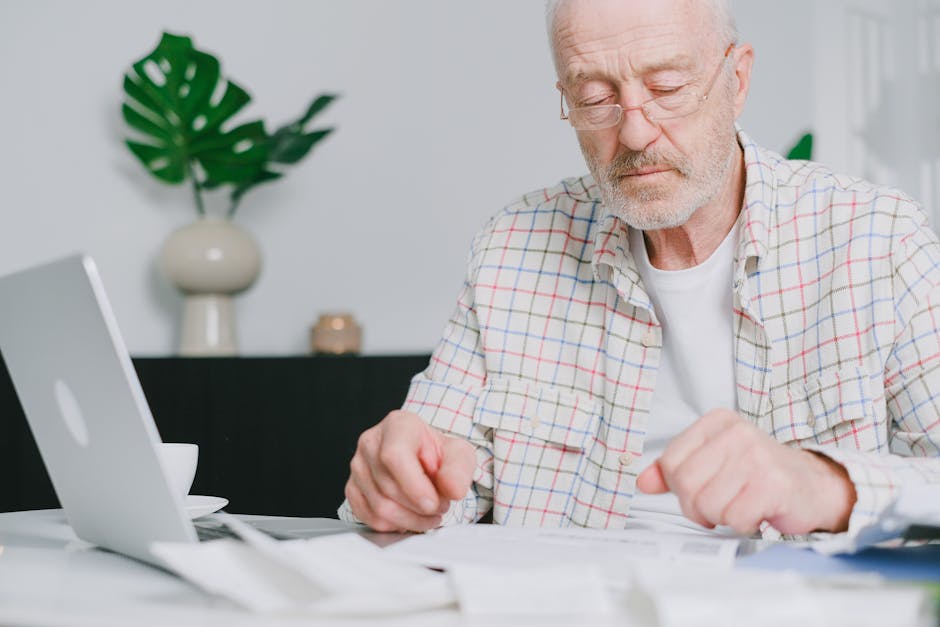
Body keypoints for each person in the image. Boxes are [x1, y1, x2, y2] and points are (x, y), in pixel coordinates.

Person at [339, 0, 940, 541]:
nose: (633, 129)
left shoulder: (879, 239)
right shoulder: (513, 247)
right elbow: (439, 474)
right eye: (595, 98)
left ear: (737, 79)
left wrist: (825, 486)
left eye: (669, 86)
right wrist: (401, 487)